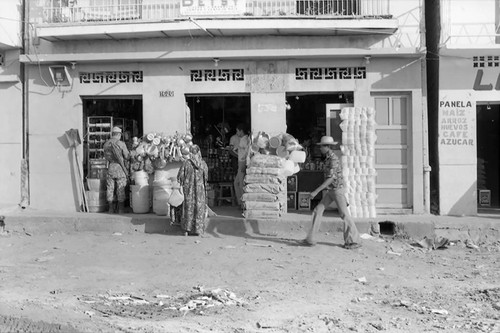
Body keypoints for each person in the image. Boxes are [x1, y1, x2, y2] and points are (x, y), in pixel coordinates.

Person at [300, 135, 361, 249]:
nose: (320, 149)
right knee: (318, 210)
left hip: (336, 190)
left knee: (344, 215)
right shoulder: (328, 158)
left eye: (322, 146)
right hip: (332, 191)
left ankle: (354, 241)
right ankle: (311, 239)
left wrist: (316, 191)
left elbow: (331, 178)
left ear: (327, 147)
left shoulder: (333, 159)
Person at [177, 144, 209, 236]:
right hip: (200, 191)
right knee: (199, 208)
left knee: (188, 207)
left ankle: (187, 229)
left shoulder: (186, 163)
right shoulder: (203, 164)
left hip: (189, 190)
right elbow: (206, 177)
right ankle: (198, 230)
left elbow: (180, 177)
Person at [103, 126, 130, 214]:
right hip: (120, 168)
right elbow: (127, 156)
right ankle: (121, 209)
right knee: (120, 188)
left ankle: (110, 209)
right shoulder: (121, 143)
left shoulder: (106, 144)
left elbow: (106, 157)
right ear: (119, 134)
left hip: (110, 167)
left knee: (110, 188)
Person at [230, 123, 249, 209]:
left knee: (240, 184)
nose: (237, 132)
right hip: (240, 162)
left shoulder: (244, 140)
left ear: (241, 131)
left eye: (237, 131)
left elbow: (247, 153)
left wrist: (244, 163)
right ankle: (240, 202)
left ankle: (243, 204)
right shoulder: (243, 139)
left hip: (242, 162)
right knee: (236, 183)